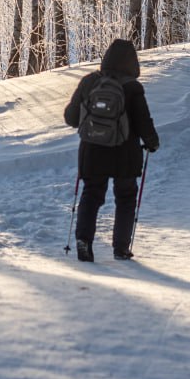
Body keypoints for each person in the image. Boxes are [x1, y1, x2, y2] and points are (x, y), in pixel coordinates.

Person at [64, 38, 159, 262]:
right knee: (125, 198)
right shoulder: (133, 88)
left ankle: (83, 240)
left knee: (91, 195)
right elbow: (143, 121)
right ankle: (121, 248)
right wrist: (152, 142)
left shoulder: (89, 82)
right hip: (125, 153)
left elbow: (70, 118)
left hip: (92, 151)